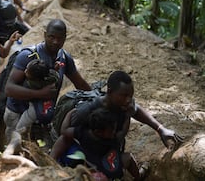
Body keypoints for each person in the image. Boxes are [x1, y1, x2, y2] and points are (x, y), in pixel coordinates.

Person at [50, 71, 184, 179]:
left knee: (121, 162)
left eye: (130, 96)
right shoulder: (88, 110)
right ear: (109, 92)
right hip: (85, 152)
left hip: (107, 151)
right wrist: (52, 162)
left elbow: (136, 110)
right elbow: (65, 136)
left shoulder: (124, 106)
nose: (128, 100)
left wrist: (160, 129)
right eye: (124, 95)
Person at [3, 19, 91, 142]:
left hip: (40, 116)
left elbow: (80, 83)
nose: (55, 42)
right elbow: (9, 89)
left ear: (65, 38)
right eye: (51, 37)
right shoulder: (28, 56)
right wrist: (40, 94)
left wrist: (96, 98)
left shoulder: (64, 58)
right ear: (44, 35)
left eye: (60, 38)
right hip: (17, 113)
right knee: (15, 148)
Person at [15, 59, 59, 136]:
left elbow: (23, 92)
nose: (25, 71)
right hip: (48, 104)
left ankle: (18, 139)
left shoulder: (32, 84)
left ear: (36, 78)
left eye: (28, 72)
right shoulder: (54, 76)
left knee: (20, 127)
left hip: (35, 108)